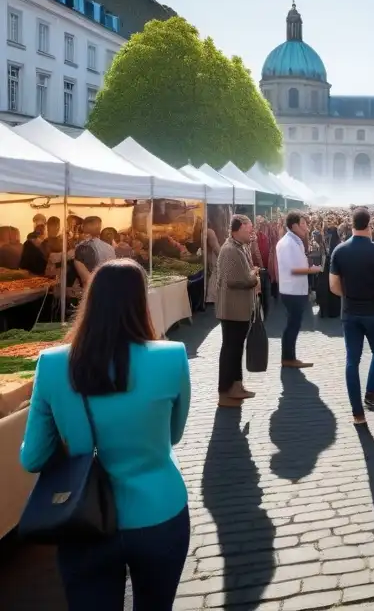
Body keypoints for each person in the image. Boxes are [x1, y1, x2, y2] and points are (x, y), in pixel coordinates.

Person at [20, 259, 191, 610]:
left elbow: (33, 457)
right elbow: (173, 436)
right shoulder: (172, 356)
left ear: (90, 301)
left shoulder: (52, 364)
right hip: (159, 510)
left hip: (83, 518)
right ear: (142, 301)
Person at [330, 206, 374, 425]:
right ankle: (371, 392)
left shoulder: (339, 250)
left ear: (351, 224)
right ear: (370, 224)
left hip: (349, 312)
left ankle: (357, 413)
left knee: (352, 360)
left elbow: (333, 286)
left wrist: (349, 296)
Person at [215, 215, 259, 408]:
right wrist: (253, 279)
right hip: (233, 309)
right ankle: (225, 391)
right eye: (249, 229)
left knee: (235, 349)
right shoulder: (230, 250)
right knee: (231, 350)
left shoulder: (239, 247)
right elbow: (234, 280)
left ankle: (236, 386)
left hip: (238, 308)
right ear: (239, 228)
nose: (252, 233)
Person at [275, 211, 318, 370]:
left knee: (294, 323)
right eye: (303, 225)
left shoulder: (295, 241)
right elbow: (294, 269)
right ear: (294, 226)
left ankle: (289, 356)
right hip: (291, 290)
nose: (306, 228)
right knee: (292, 324)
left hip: (296, 289)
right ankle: (288, 357)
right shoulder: (287, 243)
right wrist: (312, 270)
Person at [73, 216, 116, 288]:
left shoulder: (81, 248)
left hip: (90, 290)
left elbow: (85, 279)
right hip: (108, 287)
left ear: (84, 227)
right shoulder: (110, 248)